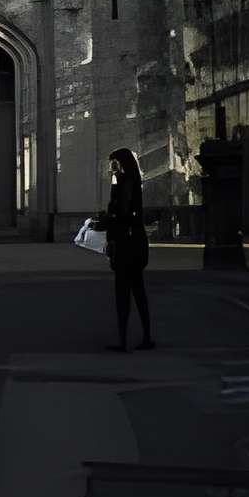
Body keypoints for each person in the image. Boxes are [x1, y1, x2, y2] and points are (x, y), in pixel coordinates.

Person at [104, 146, 153, 351]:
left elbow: (122, 211)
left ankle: (123, 339)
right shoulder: (135, 183)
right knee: (138, 291)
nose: (113, 169)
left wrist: (109, 216)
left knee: (122, 292)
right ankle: (146, 336)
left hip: (126, 243)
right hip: (137, 242)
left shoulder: (124, 183)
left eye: (115, 164)